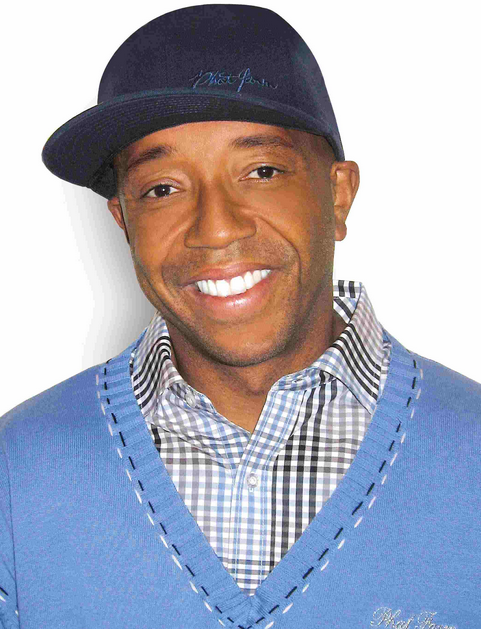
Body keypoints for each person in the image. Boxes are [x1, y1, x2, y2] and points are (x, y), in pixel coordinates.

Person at [1, 4, 480, 628]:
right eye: (162, 189)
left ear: (338, 195)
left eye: (262, 171)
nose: (217, 227)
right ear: (123, 221)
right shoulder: (16, 475)